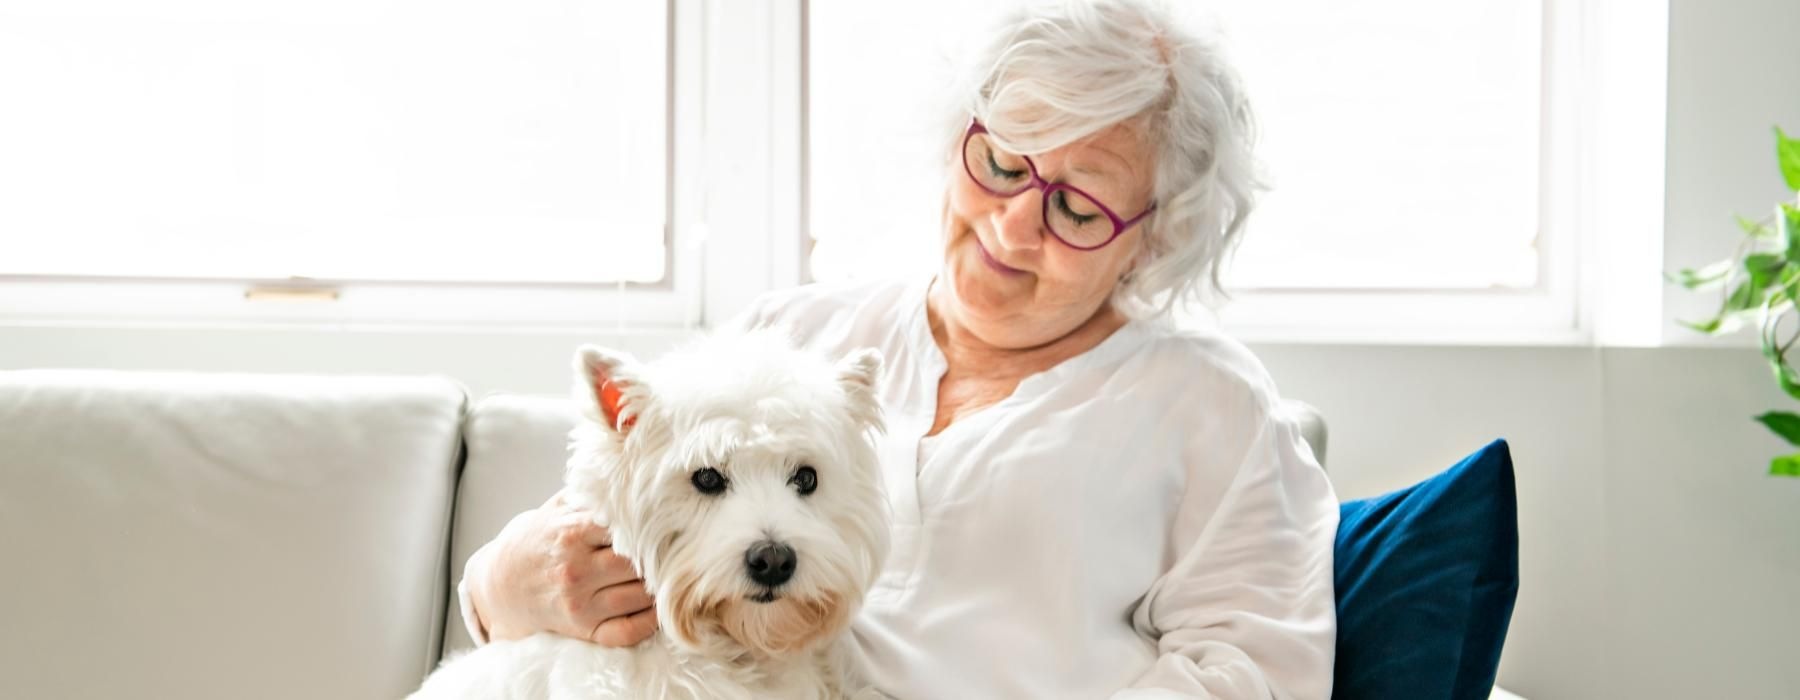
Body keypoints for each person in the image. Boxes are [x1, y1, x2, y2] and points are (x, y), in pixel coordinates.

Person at [458, 0, 1338, 696]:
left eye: (1076, 207)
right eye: (1000, 161)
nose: (1012, 224)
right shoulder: (795, 335)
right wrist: (501, 584)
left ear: (1153, 237)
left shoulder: (1209, 404)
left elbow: (1254, 673)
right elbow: (613, 519)